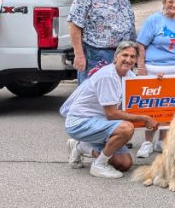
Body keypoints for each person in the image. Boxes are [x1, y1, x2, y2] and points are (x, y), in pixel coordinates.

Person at [62, 42, 158, 179]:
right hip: (79, 122)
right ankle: (99, 165)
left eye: (132, 56)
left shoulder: (129, 75)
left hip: (101, 122)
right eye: (125, 55)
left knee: (124, 164)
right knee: (126, 128)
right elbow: (111, 114)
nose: (128, 59)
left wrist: (160, 81)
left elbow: (143, 97)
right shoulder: (108, 76)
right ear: (116, 57)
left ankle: (80, 146)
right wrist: (144, 119)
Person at [133, 0, 175, 158]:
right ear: (164, 2)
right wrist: (141, 68)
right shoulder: (154, 20)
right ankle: (147, 142)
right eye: (170, 2)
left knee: (171, 108)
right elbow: (141, 45)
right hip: (156, 68)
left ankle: (162, 140)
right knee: (153, 108)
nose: (174, 5)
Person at [68, 0, 137, 83]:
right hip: (97, 55)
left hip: (122, 54)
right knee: (95, 92)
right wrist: (79, 55)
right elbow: (74, 23)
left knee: (118, 91)